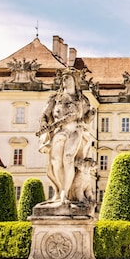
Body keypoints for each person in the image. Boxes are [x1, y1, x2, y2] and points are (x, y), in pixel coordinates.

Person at [37, 67, 95, 205]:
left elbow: (85, 119)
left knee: (68, 158)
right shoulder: (55, 99)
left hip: (75, 130)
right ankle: (59, 190)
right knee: (56, 161)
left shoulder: (82, 100)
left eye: (68, 78)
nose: (65, 81)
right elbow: (44, 115)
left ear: (75, 81)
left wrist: (90, 116)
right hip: (59, 131)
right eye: (64, 78)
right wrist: (44, 125)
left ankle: (65, 191)